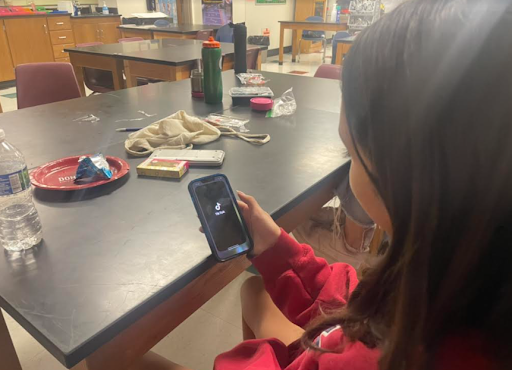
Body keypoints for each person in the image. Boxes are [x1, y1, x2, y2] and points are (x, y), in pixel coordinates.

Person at [131, 0, 512, 369]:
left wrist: (251, 356)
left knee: (109, 359)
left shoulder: (372, 355)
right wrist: (277, 248)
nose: (349, 171)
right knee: (253, 294)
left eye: (352, 154)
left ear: (408, 178)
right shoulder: (457, 285)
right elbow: (352, 298)